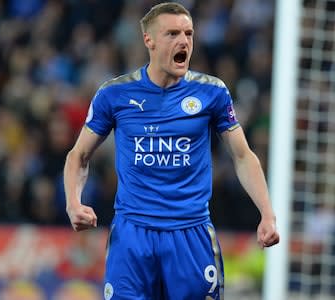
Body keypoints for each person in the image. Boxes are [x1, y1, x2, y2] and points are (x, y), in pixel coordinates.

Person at [63, 2, 279, 299]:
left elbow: (242, 155)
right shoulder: (114, 94)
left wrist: (267, 213)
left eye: (189, 33)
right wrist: (73, 203)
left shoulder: (211, 93)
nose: (184, 41)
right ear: (148, 40)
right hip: (132, 235)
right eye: (173, 33)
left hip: (190, 234)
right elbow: (78, 156)